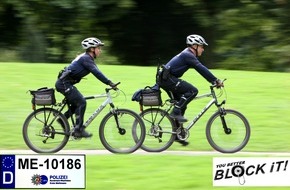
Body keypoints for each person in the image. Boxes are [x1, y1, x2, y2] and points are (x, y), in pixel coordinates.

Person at [55, 37, 117, 138]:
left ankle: (62, 119)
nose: (100, 50)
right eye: (98, 48)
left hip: (65, 83)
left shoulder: (87, 58)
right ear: (92, 49)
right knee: (82, 102)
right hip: (64, 84)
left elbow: (97, 71)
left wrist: (109, 82)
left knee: (77, 103)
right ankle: (78, 130)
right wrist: (109, 82)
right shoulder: (86, 58)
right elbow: (97, 73)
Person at [157, 34, 223, 123]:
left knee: (182, 103)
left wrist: (213, 80)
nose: (203, 49)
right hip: (168, 79)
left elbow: (200, 68)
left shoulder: (187, 54)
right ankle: (175, 112)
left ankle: (177, 134)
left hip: (166, 79)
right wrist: (215, 80)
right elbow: (201, 68)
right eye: (202, 47)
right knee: (192, 91)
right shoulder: (188, 55)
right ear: (195, 46)